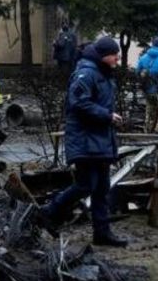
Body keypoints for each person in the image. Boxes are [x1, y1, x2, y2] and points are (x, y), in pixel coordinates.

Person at [41, 36, 127, 247]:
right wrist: (107, 115)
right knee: (86, 185)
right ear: (104, 55)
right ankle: (49, 212)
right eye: (114, 54)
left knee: (102, 188)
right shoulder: (86, 74)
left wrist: (108, 117)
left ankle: (102, 233)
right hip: (85, 139)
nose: (117, 58)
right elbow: (79, 103)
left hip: (99, 139)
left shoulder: (103, 74)